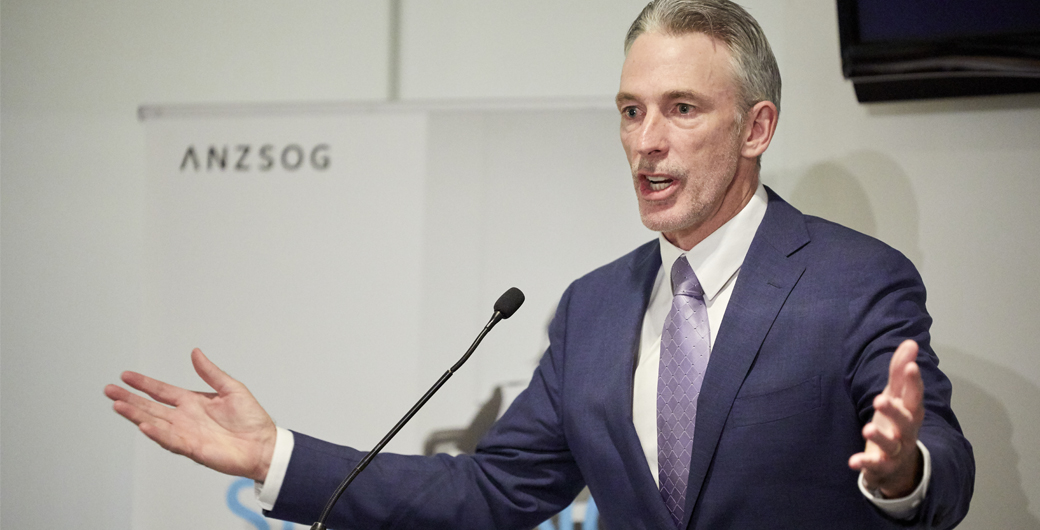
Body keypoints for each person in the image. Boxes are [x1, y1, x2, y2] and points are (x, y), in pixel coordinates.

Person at [105, 1, 975, 528]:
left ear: (756, 129)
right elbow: (489, 493)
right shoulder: (596, 307)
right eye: (631, 111)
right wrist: (275, 456)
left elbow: (944, 462)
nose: (647, 142)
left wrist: (902, 471)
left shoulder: (856, 280)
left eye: (680, 109)